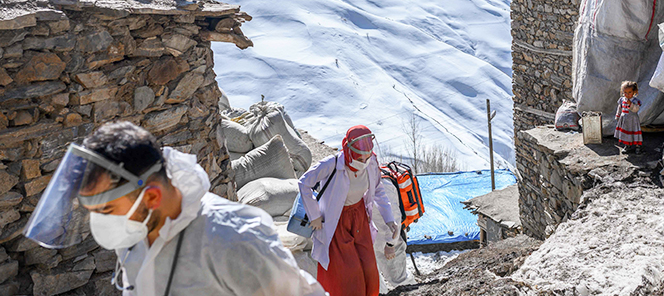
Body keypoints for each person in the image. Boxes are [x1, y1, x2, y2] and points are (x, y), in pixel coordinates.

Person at [24, 121, 326, 296]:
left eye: (104, 210)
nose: (98, 223)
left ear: (152, 198)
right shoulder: (135, 230)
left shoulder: (234, 241)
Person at [298, 125, 400, 296]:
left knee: (369, 269)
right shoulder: (332, 165)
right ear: (349, 151)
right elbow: (304, 183)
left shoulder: (371, 162)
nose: (364, 161)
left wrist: (389, 219)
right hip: (337, 222)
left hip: (359, 217)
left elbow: (378, 190)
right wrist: (314, 215)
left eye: (367, 156)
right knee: (349, 273)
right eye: (360, 158)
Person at [372, 176, 416, 292]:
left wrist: (391, 244)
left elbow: (395, 216)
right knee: (373, 280)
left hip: (388, 242)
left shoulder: (382, 184)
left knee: (399, 279)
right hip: (371, 241)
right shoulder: (360, 181)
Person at [614, 81, 643, 154]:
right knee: (626, 133)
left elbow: (636, 109)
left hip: (633, 120)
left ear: (634, 91)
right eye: (625, 93)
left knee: (634, 133)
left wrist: (631, 105)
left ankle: (637, 147)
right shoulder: (622, 100)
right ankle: (627, 146)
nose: (627, 95)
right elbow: (620, 108)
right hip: (624, 120)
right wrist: (618, 116)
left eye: (629, 92)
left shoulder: (635, 101)